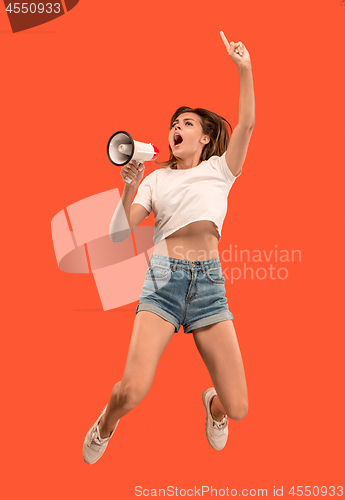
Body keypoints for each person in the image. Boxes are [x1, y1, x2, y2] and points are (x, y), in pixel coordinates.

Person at [83, 31, 255, 464]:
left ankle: (210, 403)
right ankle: (106, 423)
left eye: (187, 124)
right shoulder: (155, 180)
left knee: (238, 408)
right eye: (174, 124)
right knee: (130, 391)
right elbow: (119, 236)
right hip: (163, 282)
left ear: (204, 137)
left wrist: (244, 68)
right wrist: (127, 187)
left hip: (209, 287)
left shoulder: (222, 169)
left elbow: (248, 123)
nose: (177, 128)